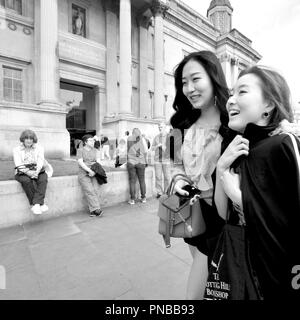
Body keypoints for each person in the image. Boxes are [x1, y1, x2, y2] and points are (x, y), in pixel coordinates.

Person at [214, 65, 300, 299]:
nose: (230, 100)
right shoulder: (238, 148)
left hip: (276, 277)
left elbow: (291, 221)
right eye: (231, 93)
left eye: (242, 92)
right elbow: (224, 216)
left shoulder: (284, 144)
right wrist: (221, 166)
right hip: (241, 270)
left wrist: (240, 197)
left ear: (269, 105)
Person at [169, 51, 234, 299]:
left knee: (195, 294)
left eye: (196, 79)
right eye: (184, 82)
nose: (189, 88)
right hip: (191, 213)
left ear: (213, 77)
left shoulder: (233, 120)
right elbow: (173, 164)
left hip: (222, 218)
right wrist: (179, 180)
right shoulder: (178, 125)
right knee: (206, 272)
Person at [13, 129, 49, 215]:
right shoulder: (16, 149)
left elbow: (40, 161)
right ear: (23, 139)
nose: (29, 140)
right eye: (27, 138)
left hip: (37, 169)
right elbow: (18, 164)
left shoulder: (39, 148)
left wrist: (36, 172)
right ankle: (40, 203)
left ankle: (36, 204)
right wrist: (29, 172)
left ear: (33, 140)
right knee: (26, 181)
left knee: (43, 179)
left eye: (31, 139)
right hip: (22, 171)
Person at [77, 134, 104, 217]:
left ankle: (93, 210)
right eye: (91, 140)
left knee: (95, 190)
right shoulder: (80, 150)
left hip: (94, 172)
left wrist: (94, 171)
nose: (93, 142)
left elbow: (98, 162)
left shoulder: (96, 150)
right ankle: (96, 209)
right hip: (84, 174)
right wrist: (89, 170)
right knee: (89, 190)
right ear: (85, 142)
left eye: (93, 140)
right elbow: (80, 162)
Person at [127, 128, 148, 204]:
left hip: (131, 162)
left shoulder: (129, 139)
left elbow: (127, 150)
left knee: (132, 181)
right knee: (142, 180)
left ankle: (132, 199)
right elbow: (145, 151)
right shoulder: (143, 139)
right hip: (141, 162)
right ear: (139, 133)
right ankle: (143, 198)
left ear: (132, 133)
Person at [151, 122, 171, 198]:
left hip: (166, 160)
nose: (160, 128)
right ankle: (159, 192)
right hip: (157, 160)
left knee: (167, 177)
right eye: (159, 127)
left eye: (161, 127)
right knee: (158, 177)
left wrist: (162, 146)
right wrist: (156, 146)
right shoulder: (156, 137)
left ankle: (166, 192)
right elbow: (152, 148)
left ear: (165, 127)